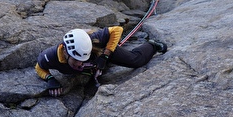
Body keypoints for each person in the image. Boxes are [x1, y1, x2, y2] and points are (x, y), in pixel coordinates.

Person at [35, 26, 167, 97]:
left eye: (82, 60)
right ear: (65, 52)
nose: (79, 64)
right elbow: (39, 67)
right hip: (94, 64)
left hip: (102, 53)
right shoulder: (50, 56)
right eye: (76, 60)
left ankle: (152, 45)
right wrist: (50, 78)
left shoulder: (93, 40)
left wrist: (105, 55)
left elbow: (117, 29)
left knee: (135, 61)